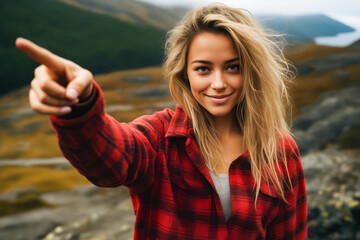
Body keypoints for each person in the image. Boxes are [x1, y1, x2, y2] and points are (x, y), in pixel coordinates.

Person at [16, 4, 307, 240]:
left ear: (252, 72)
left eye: (233, 67)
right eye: (203, 69)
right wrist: (80, 104)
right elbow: (109, 159)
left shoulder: (281, 151)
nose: (218, 83)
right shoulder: (158, 137)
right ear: (185, 75)